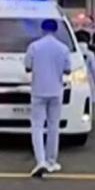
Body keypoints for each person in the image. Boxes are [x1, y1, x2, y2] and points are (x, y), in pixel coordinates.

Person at [24, 18, 71, 178]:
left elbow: (27, 66)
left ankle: (40, 160)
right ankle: (52, 160)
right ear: (56, 30)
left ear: (42, 29)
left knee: (37, 126)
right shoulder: (63, 48)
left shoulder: (34, 46)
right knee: (53, 126)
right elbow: (68, 70)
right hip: (56, 90)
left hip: (38, 90)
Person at [74, 29, 95, 107]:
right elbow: (94, 69)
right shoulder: (90, 54)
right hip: (88, 80)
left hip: (75, 80)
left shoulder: (73, 52)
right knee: (90, 100)